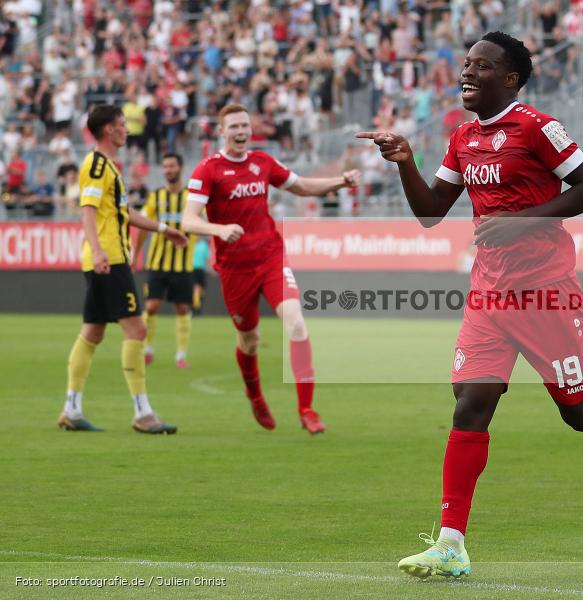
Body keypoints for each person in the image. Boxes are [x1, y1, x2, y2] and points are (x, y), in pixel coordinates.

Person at [357, 31, 583, 580]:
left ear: (510, 79)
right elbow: (430, 212)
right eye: (467, 63)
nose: (468, 72)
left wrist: (520, 222)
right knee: (470, 404)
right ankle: (450, 543)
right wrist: (405, 163)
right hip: (489, 296)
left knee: (581, 413)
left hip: (545, 292)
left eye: (481, 66)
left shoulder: (538, 127)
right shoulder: (462, 136)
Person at [181, 104, 361, 435]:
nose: (241, 132)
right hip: (234, 269)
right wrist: (218, 229)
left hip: (270, 258)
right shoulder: (207, 170)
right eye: (234, 126)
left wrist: (340, 181)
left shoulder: (263, 162)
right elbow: (188, 220)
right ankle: (256, 397)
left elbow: (301, 186)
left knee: (296, 323)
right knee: (249, 340)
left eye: (245, 126)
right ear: (221, 131)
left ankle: (307, 409)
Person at [59, 104, 187, 434]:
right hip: (110, 260)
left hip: (104, 259)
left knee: (93, 332)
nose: (127, 129)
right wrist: (100, 251)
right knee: (137, 331)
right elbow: (87, 211)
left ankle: (71, 409)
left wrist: (163, 229)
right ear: (108, 130)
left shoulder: (107, 166)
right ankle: (142, 413)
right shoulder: (97, 166)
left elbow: (124, 213)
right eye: (121, 124)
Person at [133, 153, 196, 369]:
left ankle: (181, 355)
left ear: (180, 168)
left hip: (183, 264)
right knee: (151, 306)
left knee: (182, 308)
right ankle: (147, 350)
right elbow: (143, 224)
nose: (168, 170)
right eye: (165, 166)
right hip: (157, 262)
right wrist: (135, 253)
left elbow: (205, 220)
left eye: (172, 166)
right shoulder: (156, 196)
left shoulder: (191, 197)